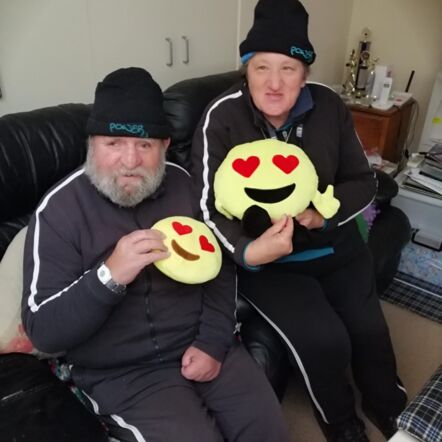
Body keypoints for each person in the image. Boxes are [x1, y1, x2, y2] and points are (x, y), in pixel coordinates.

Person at [21, 67, 289, 442]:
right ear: (91, 144)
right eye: (114, 143)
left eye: (145, 145)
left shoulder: (185, 185)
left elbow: (221, 267)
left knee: (269, 429)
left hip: (204, 342)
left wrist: (212, 343)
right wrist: (108, 276)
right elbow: (44, 332)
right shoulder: (58, 213)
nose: (130, 161)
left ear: (164, 146)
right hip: (122, 374)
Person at [191, 1, 407, 441]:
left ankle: (391, 407)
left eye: (288, 68)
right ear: (246, 69)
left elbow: (362, 181)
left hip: (334, 245)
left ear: (305, 72)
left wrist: (320, 214)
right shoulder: (222, 117)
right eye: (261, 68)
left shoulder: (328, 107)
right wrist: (249, 250)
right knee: (323, 338)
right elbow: (205, 205)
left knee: (368, 328)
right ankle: (340, 423)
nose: (274, 83)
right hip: (272, 263)